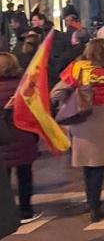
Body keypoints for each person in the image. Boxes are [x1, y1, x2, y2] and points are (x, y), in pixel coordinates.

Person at [51, 39, 104, 222]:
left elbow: (56, 93)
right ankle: (95, 205)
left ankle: (91, 201)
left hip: (82, 120)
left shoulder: (78, 68)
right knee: (98, 164)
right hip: (103, 117)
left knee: (87, 163)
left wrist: (72, 98)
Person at [0, 54, 40, 223]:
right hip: (24, 134)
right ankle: (26, 210)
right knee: (25, 174)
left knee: (5, 178)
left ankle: (6, 213)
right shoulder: (23, 86)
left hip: (3, 137)